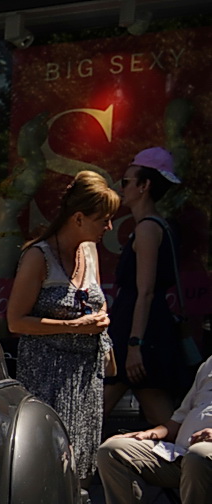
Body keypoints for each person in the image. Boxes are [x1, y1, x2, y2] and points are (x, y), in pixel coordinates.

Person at [6, 170, 119, 504]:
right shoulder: (39, 256)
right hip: (47, 372)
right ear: (78, 218)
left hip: (83, 373)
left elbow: (95, 302)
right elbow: (16, 321)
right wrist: (73, 326)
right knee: (48, 458)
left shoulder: (88, 252)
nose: (109, 226)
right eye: (103, 218)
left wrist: (100, 319)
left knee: (76, 458)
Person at [90, 354, 212, 504]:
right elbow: (179, 418)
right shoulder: (209, 363)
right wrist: (151, 433)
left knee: (200, 456)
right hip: (181, 453)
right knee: (113, 450)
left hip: (204, 459)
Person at [105, 148, 189, 425]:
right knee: (159, 412)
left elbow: (146, 291)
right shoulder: (153, 226)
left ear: (145, 186)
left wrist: (134, 344)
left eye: (127, 181)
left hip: (140, 329)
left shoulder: (148, 229)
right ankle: (183, 464)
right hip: (143, 328)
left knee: (95, 412)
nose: (122, 187)